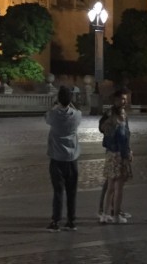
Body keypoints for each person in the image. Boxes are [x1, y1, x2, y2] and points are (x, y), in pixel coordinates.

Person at [45, 85, 82, 231]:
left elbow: (47, 116)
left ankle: (56, 220)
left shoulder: (54, 115)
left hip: (57, 158)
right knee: (72, 192)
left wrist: (57, 104)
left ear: (58, 99)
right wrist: (69, 103)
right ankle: (71, 220)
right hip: (72, 158)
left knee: (58, 191)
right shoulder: (76, 115)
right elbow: (77, 110)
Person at [100, 89, 132, 224]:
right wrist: (126, 153)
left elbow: (126, 134)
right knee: (117, 187)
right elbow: (120, 136)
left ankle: (106, 214)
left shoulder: (122, 114)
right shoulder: (113, 115)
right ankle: (115, 215)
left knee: (111, 186)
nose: (124, 101)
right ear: (116, 100)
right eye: (122, 99)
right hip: (117, 154)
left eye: (125, 99)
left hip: (114, 153)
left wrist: (129, 150)